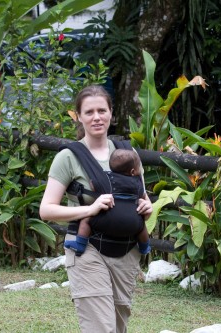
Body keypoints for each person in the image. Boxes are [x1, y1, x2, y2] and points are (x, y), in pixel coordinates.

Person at [39, 85, 153, 333]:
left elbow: (141, 195)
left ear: (111, 113)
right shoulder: (68, 157)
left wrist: (147, 206)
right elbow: (46, 210)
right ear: (79, 116)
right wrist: (89, 210)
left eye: (102, 110)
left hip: (126, 251)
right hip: (86, 249)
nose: (97, 117)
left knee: (118, 324)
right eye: (89, 112)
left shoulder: (128, 152)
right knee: (101, 328)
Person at [63, 148, 151, 256]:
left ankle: (80, 244)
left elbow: (94, 185)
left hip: (109, 219)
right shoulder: (138, 183)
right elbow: (142, 196)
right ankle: (144, 247)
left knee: (86, 219)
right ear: (133, 171)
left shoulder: (107, 178)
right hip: (132, 223)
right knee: (141, 225)